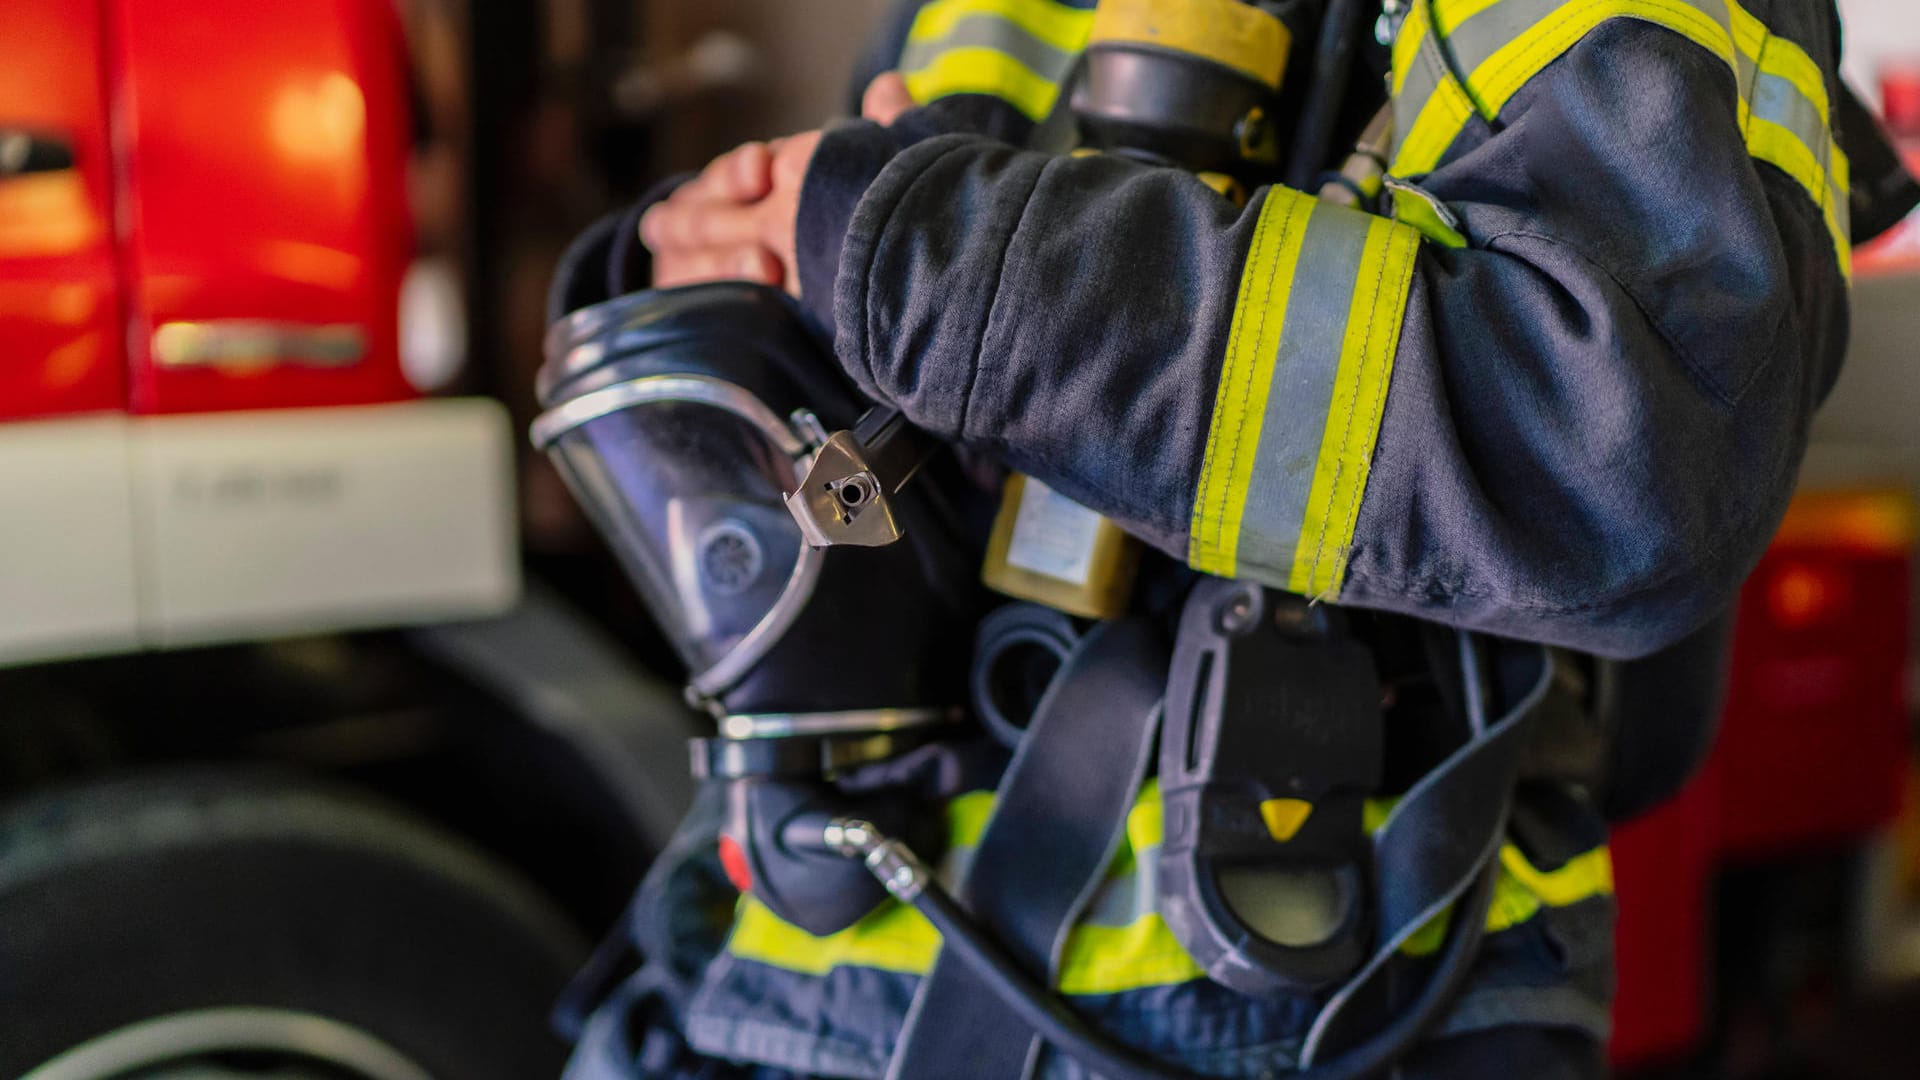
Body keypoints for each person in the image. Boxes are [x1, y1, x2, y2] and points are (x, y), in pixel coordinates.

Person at [560, 0, 1912, 1076]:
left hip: (1307, 986)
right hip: (801, 969)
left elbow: (1623, 452)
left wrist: (912, 256)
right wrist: (711, 266)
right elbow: (896, 336)